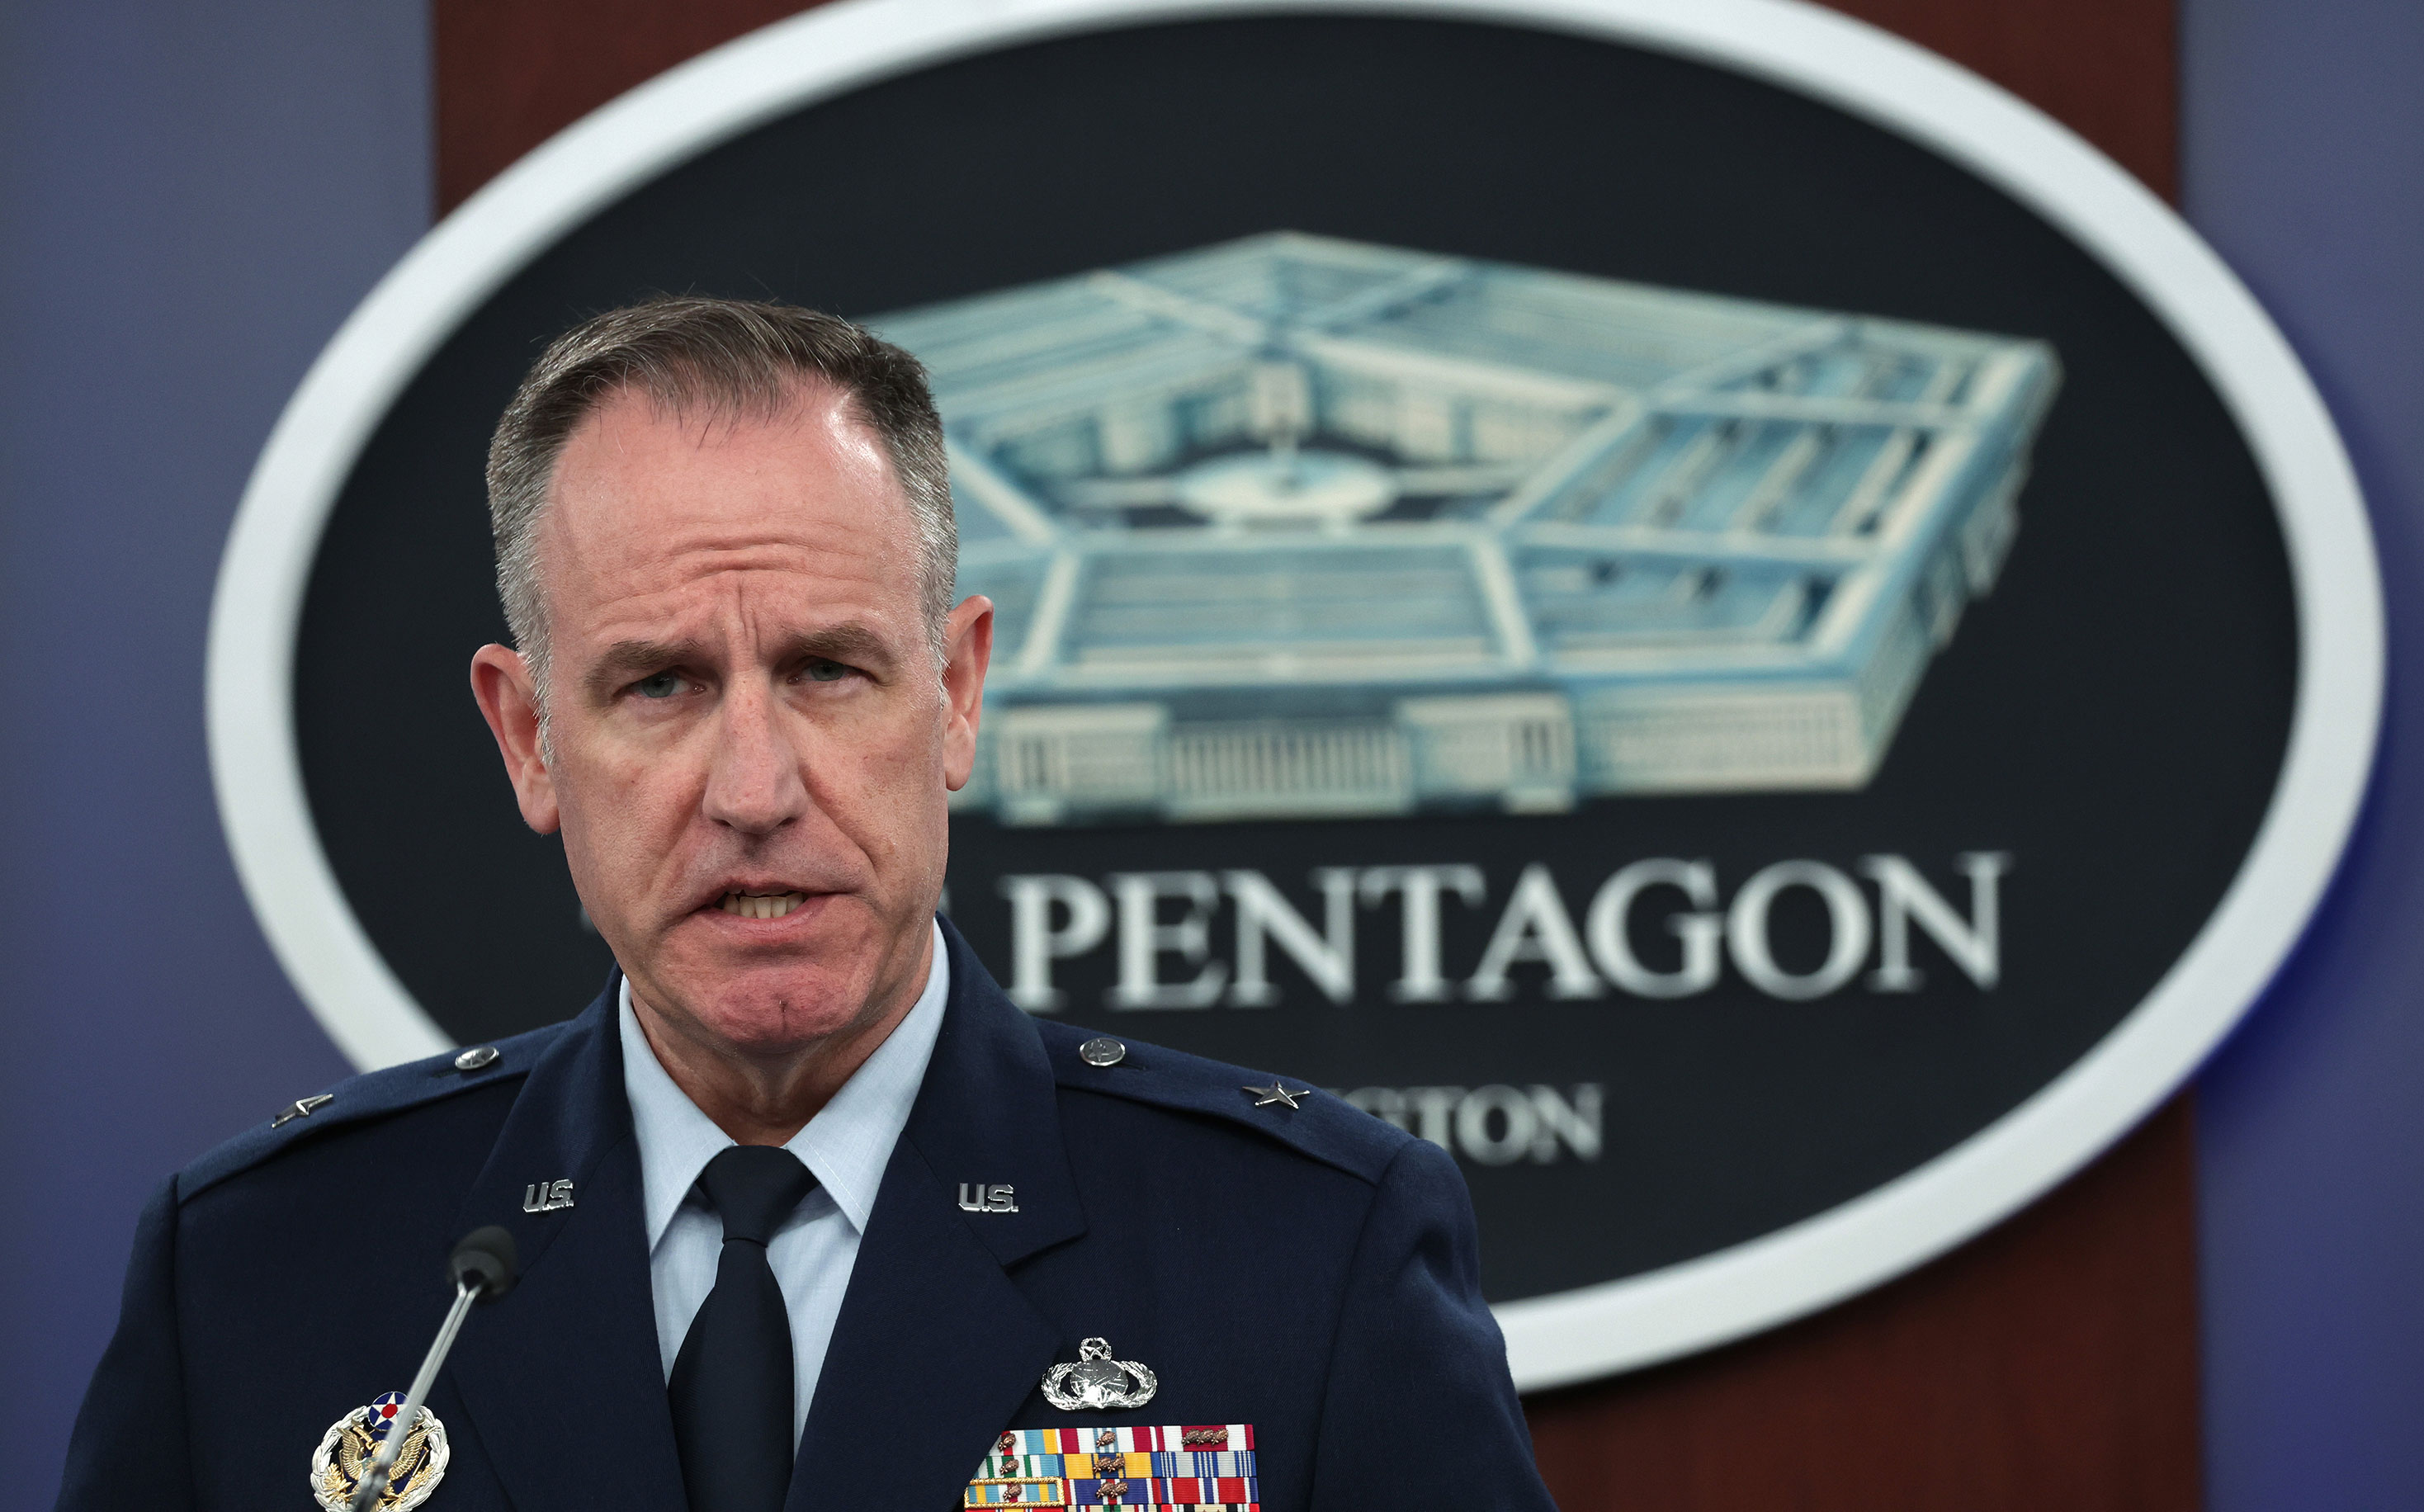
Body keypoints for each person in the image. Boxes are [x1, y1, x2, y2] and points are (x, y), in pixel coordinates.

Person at [57, 298, 1558, 1512]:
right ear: (530, 739)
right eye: (661, 686)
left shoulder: (1303, 1253)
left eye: (829, 671)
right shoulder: (259, 1274)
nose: (756, 787)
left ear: (957, 696)